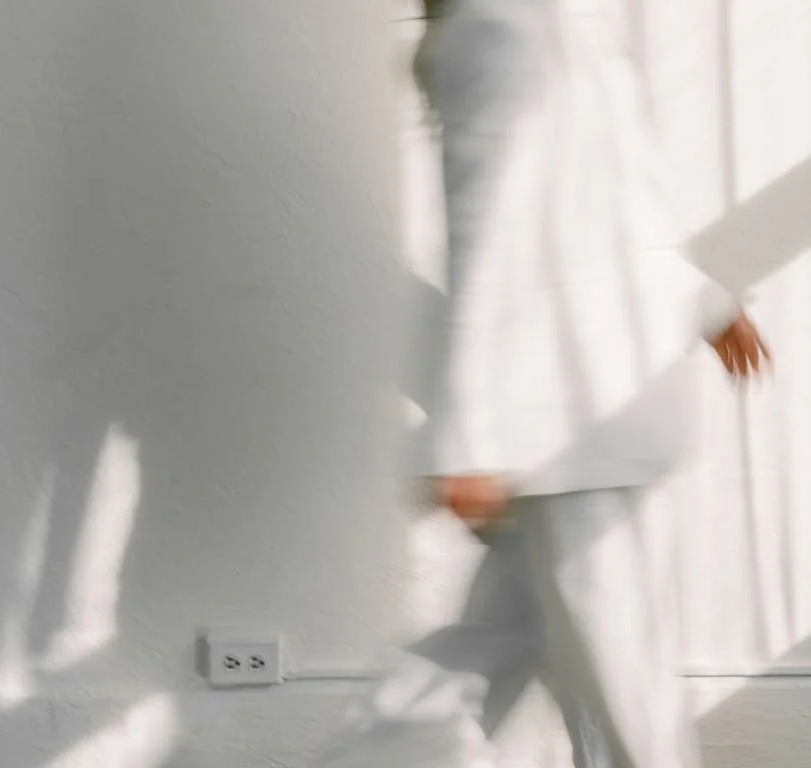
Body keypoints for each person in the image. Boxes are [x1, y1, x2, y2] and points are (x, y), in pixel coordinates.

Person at [317, 1, 770, 766]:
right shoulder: (550, 23)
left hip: (560, 413)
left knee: (594, 659)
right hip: (582, 407)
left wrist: (470, 433)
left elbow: (496, 225)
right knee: (536, 645)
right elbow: (597, 200)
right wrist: (699, 299)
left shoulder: (490, 29)